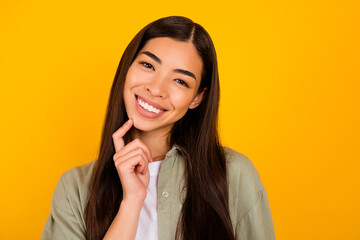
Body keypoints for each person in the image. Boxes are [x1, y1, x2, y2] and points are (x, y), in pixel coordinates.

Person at [41, 16, 275, 240]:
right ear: (127, 67)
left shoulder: (234, 174)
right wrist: (132, 201)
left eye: (181, 81)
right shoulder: (75, 188)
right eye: (148, 65)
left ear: (197, 98)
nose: (156, 88)